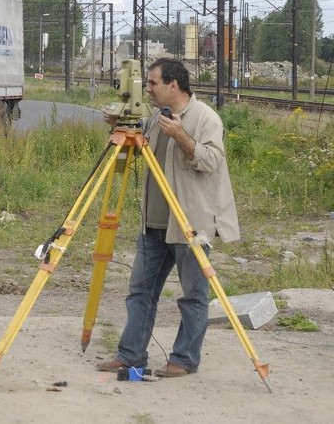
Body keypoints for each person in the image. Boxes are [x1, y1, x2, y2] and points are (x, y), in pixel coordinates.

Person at [96, 57, 240, 378]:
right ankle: (131, 355)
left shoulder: (205, 118)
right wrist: (120, 128)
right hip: (154, 224)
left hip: (190, 224)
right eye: (146, 83)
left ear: (173, 85)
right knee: (140, 292)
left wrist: (180, 135)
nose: (147, 89)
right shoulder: (154, 118)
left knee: (193, 297)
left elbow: (211, 161)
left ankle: (184, 359)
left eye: (152, 83)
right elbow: (136, 153)